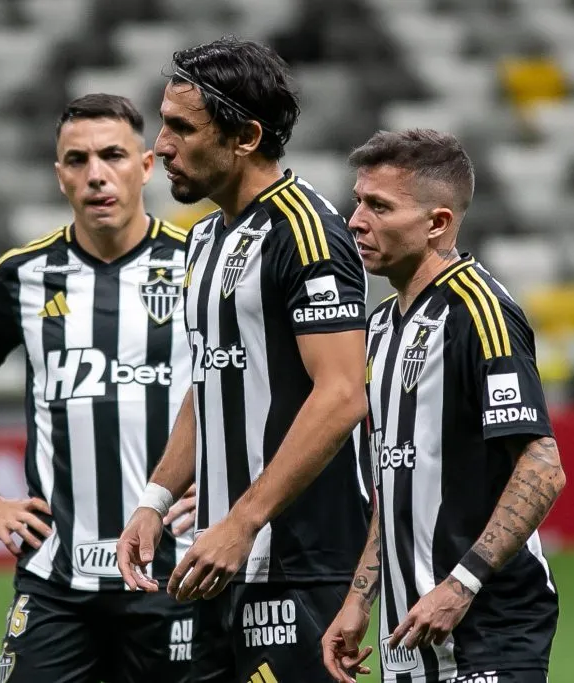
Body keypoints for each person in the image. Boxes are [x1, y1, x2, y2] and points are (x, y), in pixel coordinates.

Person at [117, 37, 371, 682]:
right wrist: (154, 497)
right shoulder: (205, 236)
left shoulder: (304, 231)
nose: (161, 147)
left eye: (180, 127)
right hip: (215, 561)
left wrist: (243, 521)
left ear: (245, 137)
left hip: (297, 563)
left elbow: (343, 392)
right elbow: (213, 383)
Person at [0, 93, 196, 683]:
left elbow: (260, 385)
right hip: (57, 581)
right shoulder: (22, 276)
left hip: (175, 574)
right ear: (59, 175)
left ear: (146, 165)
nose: (96, 174)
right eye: (77, 160)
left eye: (113, 156)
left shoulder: (199, 267)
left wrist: (236, 484)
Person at [321, 129, 565, 683]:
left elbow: (542, 466)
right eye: (358, 201)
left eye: (378, 206)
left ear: (437, 223)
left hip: (488, 631)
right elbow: (398, 480)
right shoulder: (380, 326)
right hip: (409, 633)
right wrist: (361, 599)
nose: (356, 220)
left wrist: (462, 585)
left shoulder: (480, 313)